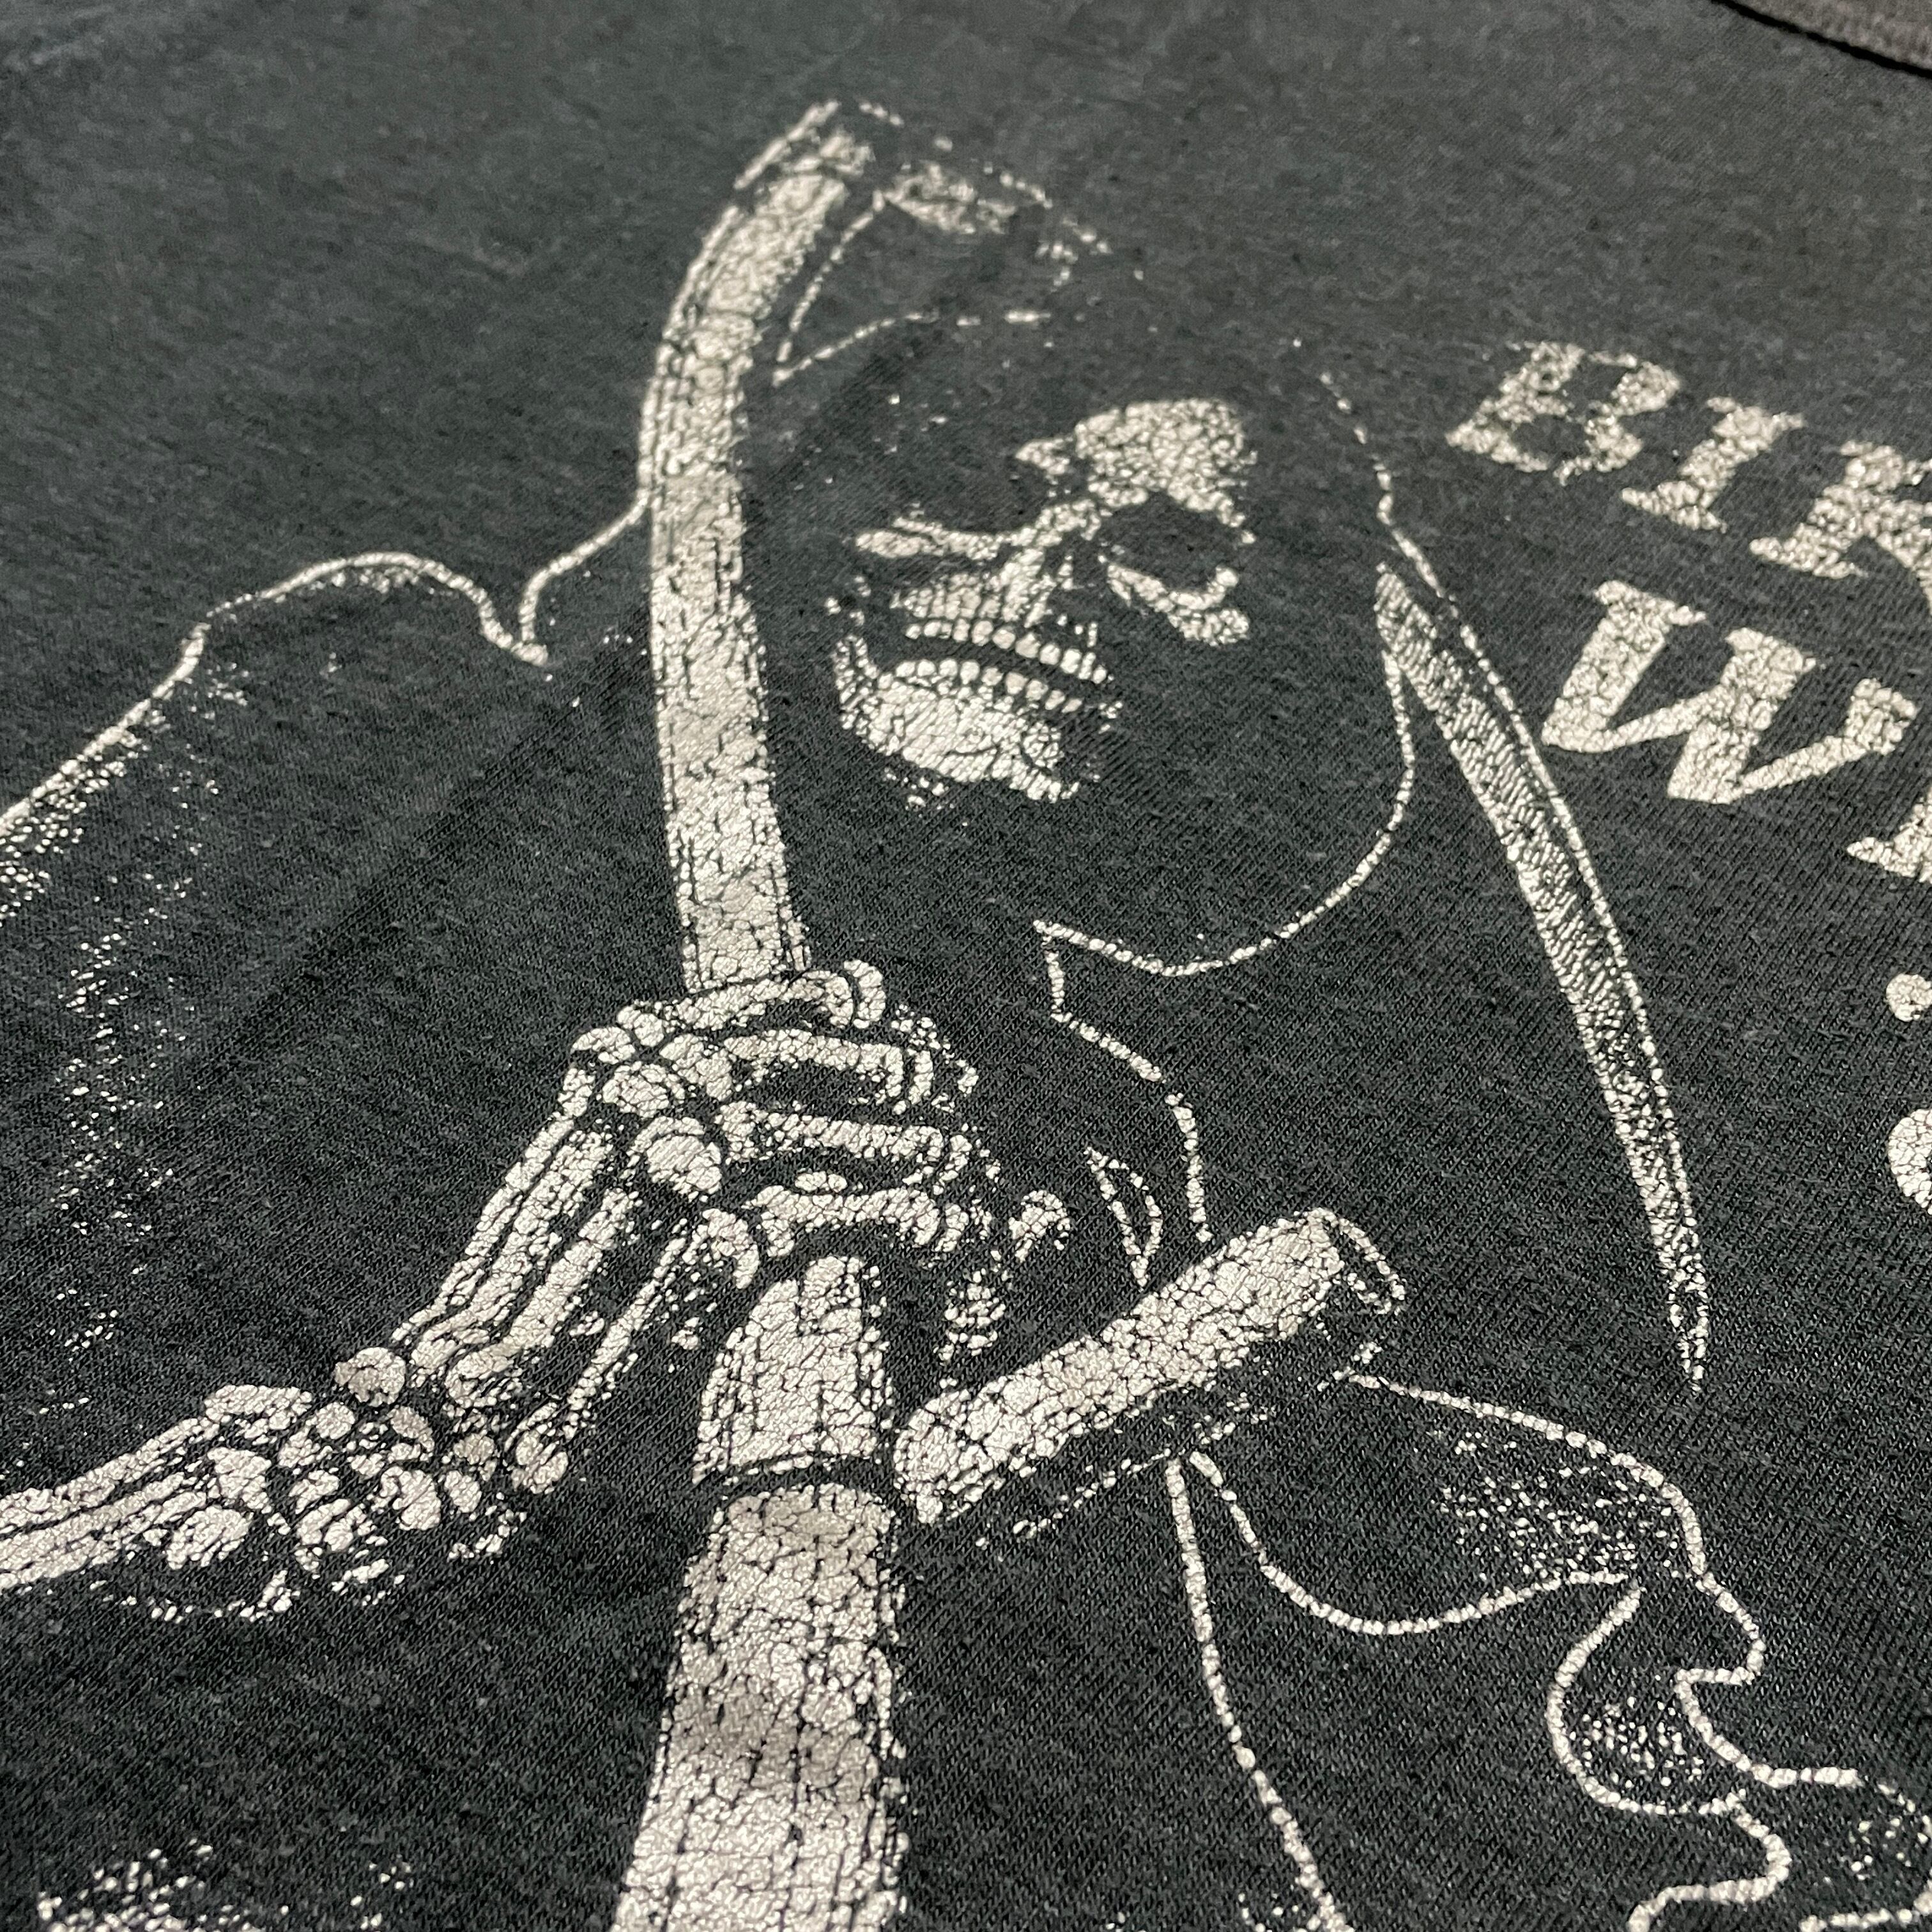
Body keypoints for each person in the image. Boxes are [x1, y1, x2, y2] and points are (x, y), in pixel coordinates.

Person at [4, 109, 1926, 1932]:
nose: (1040, 576)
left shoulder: (1075, 1150)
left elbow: (1136, 1818)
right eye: (978, 501)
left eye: (1175, 554)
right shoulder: (348, 731)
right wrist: (428, 1411)